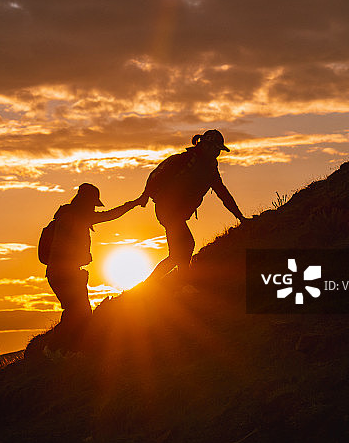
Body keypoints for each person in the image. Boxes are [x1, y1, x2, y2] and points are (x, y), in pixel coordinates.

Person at [43, 183, 142, 346]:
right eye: (93, 204)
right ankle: (54, 348)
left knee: (79, 312)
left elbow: (110, 215)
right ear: (86, 202)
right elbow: (111, 215)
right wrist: (135, 203)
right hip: (65, 273)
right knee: (78, 312)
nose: (94, 209)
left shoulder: (69, 215)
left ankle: (68, 348)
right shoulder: (75, 217)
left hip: (60, 272)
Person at [140, 129, 244, 282]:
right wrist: (145, 196)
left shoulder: (210, 168)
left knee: (182, 251)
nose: (218, 153)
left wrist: (239, 216)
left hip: (178, 213)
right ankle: (155, 286)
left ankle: (178, 282)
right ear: (206, 146)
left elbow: (223, 193)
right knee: (184, 248)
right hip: (167, 210)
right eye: (216, 149)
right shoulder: (184, 160)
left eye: (219, 150)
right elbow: (156, 175)